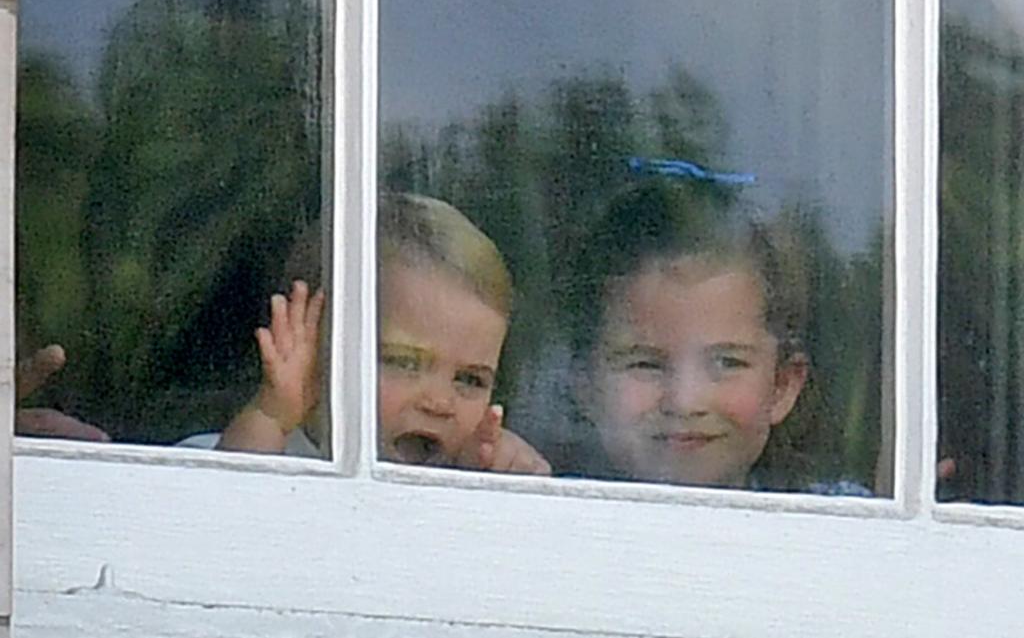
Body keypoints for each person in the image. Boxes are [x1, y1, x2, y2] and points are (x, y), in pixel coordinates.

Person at [216, 194, 550, 474]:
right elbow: (217, 514)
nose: (440, 403)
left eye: (470, 380)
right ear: (313, 352)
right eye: (404, 362)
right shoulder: (242, 453)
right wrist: (271, 417)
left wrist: (497, 485)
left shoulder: (468, 467)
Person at [563, 178, 861, 492]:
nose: (685, 402)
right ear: (585, 384)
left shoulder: (842, 524)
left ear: (782, 386)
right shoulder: (543, 512)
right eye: (645, 364)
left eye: (727, 362)